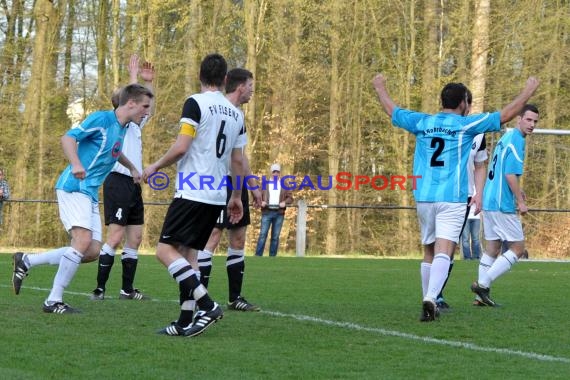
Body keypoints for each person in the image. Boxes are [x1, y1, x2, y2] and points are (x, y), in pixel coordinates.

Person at [372, 73, 539, 322]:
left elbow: (393, 111)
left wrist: (380, 87)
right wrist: (527, 92)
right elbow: (503, 115)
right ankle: (431, 297)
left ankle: (428, 297)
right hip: (451, 197)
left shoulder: (423, 122)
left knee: (429, 250)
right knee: (445, 249)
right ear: (462, 103)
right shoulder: (466, 126)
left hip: (424, 196)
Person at [12, 84, 153, 313]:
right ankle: (53, 300)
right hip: (74, 185)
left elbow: (115, 151)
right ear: (131, 104)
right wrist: (76, 163)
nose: (147, 112)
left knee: (91, 251)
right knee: (82, 240)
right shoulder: (101, 119)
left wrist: (133, 168)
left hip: (89, 192)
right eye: (145, 107)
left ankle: (27, 260)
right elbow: (68, 138)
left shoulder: (123, 127)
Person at [141, 53, 246, 337]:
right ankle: (185, 320)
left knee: (164, 251)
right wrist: (236, 196)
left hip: (193, 190)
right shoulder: (237, 114)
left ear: (200, 76)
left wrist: (154, 165)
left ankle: (207, 305)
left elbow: (182, 146)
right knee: (189, 257)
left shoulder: (195, 103)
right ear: (225, 80)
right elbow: (238, 161)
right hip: (216, 195)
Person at [197, 68, 262, 312]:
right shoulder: (214, 108)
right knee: (212, 237)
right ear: (239, 86)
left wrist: (252, 185)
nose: (252, 91)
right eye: (251, 86)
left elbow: (240, 157)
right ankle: (200, 298)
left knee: (238, 237)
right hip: (215, 182)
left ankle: (235, 298)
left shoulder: (239, 117)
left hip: (236, 184)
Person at [90, 55, 155, 301]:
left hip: (134, 185)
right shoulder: (118, 122)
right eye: (138, 105)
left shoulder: (136, 124)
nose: (143, 111)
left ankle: (127, 289)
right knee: (115, 237)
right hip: (117, 181)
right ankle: (99, 288)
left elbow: (146, 104)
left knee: (135, 238)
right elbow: (131, 98)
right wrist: (133, 77)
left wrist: (148, 83)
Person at [471, 104, 540, 306]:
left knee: (493, 248)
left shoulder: (505, 138)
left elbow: (502, 171)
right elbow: (509, 174)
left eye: (535, 121)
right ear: (518, 119)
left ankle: (479, 298)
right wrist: (520, 201)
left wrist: (518, 191)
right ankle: (482, 284)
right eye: (528, 120)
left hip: (491, 199)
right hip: (502, 203)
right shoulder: (516, 140)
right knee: (518, 248)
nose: (532, 124)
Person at [435, 90, 488, 310]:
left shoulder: (477, 133)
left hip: (463, 197)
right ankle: (432, 294)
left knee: (449, 246)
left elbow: (480, 164)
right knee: (434, 246)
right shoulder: (438, 127)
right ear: (462, 104)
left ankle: (435, 295)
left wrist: (479, 192)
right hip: (436, 194)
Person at [254, 163, 293, 257]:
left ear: (280, 173)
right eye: (274, 172)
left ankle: (272, 257)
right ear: (271, 173)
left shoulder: (284, 184)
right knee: (263, 235)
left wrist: (285, 202)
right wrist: (261, 202)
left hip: (279, 213)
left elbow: (291, 198)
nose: (276, 174)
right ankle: (258, 256)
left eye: (277, 172)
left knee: (275, 237)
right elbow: (256, 197)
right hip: (266, 212)